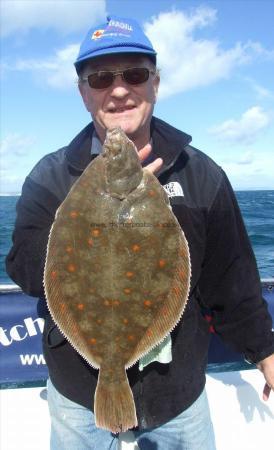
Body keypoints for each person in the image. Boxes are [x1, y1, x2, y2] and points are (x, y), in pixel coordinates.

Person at [6, 15, 274, 450]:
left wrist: (264, 352)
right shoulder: (51, 177)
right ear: (82, 92)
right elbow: (23, 268)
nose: (117, 89)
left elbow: (231, 278)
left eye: (134, 74)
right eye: (100, 78)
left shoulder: (201, 174)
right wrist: (81, 207)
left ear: (155, 84)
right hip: (79, 394)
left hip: (178, 394)